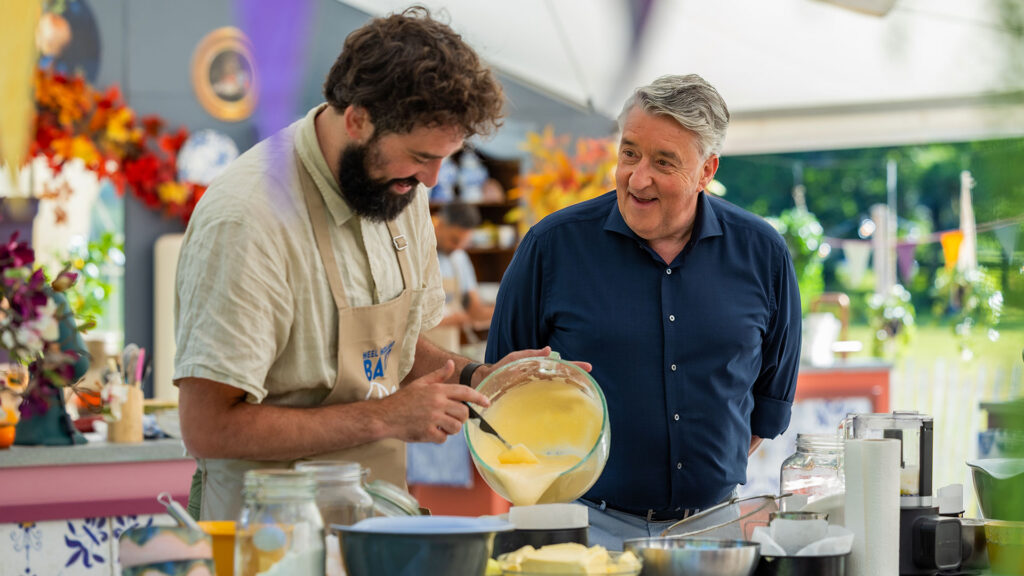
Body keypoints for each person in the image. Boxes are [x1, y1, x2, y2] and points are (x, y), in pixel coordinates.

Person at [173, 7, 549, 521]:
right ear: (357, 120)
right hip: (266, 536)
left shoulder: (399, 188)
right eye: (420, 156)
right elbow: (208, 428)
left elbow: (391, 348)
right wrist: (384, 417)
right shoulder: (248, 219)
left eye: (444, 158)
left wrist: (480, 378)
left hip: (376, 522)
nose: (433, 181)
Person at [486, 74, 801, 548]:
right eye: (629, 152)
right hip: (582, 527)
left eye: (663, 162)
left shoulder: (764, 254)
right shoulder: (551, 248)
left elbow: (767, 406)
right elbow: (498, 387)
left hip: (712, 528)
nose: (637, 177)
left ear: (706, 171)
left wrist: (699, 487)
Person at [423, 202, 494, 352]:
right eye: (454, 240)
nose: (458, 247)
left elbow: (475, 309)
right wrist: (452, 320)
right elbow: (406, 318)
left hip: (449, 350)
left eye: (463, 242)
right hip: (418, 351)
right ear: (439, 224)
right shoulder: (417, 254)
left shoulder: (459, 257)